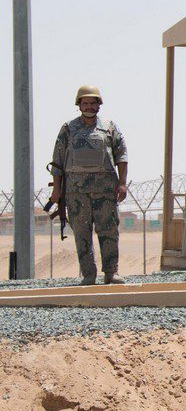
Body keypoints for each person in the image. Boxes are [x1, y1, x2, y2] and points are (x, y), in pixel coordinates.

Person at [48, 85, 129, 285]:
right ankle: (88, 275)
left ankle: (111, 273)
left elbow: (122, 156)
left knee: (109, 231)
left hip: (105, 191)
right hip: (76, 192)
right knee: (82, 234)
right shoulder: (68, 129)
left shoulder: (109, 127)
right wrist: (57, 190)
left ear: (99, 105)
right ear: (79, 105)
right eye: (85, 103)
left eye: (93, 103)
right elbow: (57, 161)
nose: (89, 106)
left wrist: (122, 183)